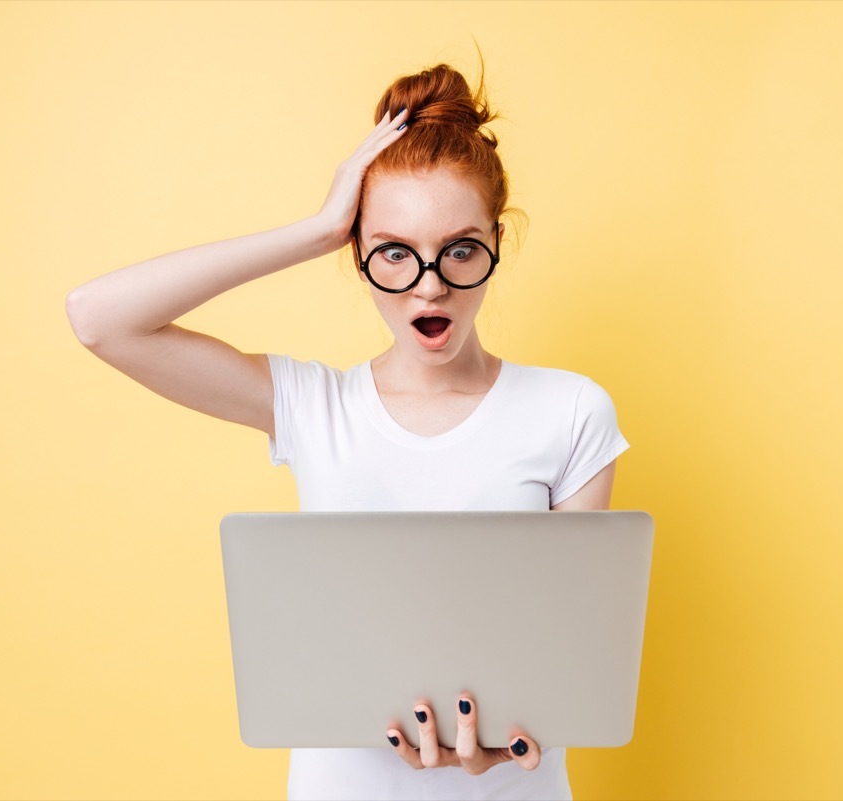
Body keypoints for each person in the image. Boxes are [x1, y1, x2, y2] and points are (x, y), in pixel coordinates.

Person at [66, 61, 629, 801]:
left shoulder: (572, 412)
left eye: (460, 248)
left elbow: (567, 664)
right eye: (394, 251)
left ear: (497, 241)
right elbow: (100, 319)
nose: (430, 285)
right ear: (358, 259)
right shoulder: (314, 404)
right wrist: (316, 227)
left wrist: (512, 737)